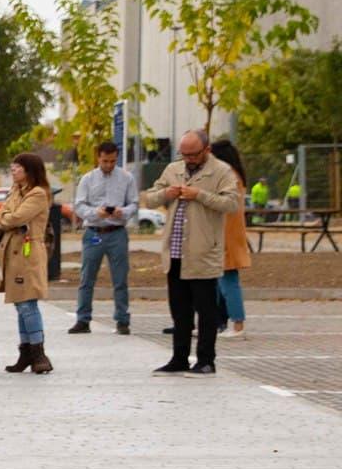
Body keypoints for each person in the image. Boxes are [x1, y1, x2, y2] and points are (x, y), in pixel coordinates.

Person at [143, 130, 243, 375]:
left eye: (193, 154)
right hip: (175, 253)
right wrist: (166, 194)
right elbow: (149, 199)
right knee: (180, 311)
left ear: (206, 150)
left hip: (203, 252)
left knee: (206, 311)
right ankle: (179, 358)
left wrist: (200, 195)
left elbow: (231, 203)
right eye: (184, 154)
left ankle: (206, 360)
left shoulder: (221, 171)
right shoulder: (173, 169)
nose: (188, 159)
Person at [67, 140, 136, 335]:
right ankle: (83, 319)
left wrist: (122, 212)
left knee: (120, 279)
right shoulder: (87, 179)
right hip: (94, 232)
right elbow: (79, 205)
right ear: (98, 158)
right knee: (87, 277)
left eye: (113, 161)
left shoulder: (127, 178)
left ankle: (122, 320)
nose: (109, 165)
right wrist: (96, 213)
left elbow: (134, 203)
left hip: (117, 232)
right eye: (105, 161)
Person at [0, 152, 55, 374]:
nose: (13, 170)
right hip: (12, 252)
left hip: (28, 253)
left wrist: (5, 219)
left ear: (29, 170)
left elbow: (17, 217)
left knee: (28, 303)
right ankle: (25, 351)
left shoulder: (38, 193)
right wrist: (5, 219)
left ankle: (38, 352)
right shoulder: (15, 191)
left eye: (18, 167)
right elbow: (0, 215)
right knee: (20, 303)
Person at [214, 138, 252, 339]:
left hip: (226, 233)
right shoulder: (235, 175)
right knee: (220, 283)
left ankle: (238, 324)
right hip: (227, 232)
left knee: (229, 282)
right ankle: (218, 322)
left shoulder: (228, 176)